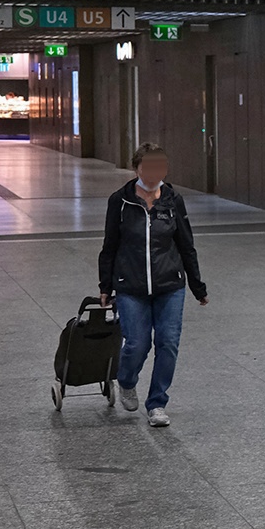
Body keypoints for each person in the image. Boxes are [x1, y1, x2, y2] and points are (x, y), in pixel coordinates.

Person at [98, 143, 207, 426]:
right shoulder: (120, 201)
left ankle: (157, 403)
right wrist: (105, 287)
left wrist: (197, 286)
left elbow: (186, 245)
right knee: (137, 343)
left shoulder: (173, 200)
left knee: (168, 342)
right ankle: (126, 380)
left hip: (170, 284)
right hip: (130, 285)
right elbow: (109, 246)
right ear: (136, 168)